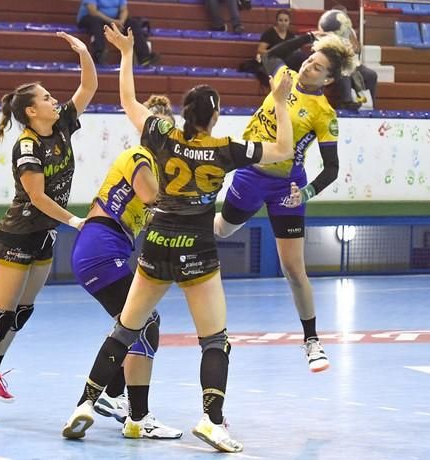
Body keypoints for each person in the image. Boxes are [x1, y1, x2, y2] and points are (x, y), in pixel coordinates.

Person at [61, 23, 295, 453]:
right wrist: (279, 103)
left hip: (155, 246)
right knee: (215, 339)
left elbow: (128, 100)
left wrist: (128, 54)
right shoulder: (226, 148)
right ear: (215, 115)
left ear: (185, 112)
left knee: (124, 331)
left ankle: (86, 405)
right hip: (197, 251)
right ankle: (212, 420)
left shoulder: (160, 136)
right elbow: (282, 150)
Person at [0, 31, 97, 427]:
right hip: (18, 235)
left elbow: (88, 86)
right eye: (47, 98)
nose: (55, 100)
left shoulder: (64, 125)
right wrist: (73, 220)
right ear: (32, 112)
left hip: (43, 236)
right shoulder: (28, 145)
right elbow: (35, 197)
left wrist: (84, 51)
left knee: (22, 313)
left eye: (54, 97)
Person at [214, 32, 356, 373]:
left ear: (329, 79)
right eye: (309, 59)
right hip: (250, 173)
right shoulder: (284, 78)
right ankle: (177, 215)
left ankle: (312, 341)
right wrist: (308, 37)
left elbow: (332, 168)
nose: (308, 66)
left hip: (287, 188)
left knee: (293, 269)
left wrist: (306, 193)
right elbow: (271, 55)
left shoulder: (324, 114)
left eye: (317, 67)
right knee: (221, 229)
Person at [69, 94, 181, 439]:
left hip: (105, 247)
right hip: (101, 245)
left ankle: (109, 398)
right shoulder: (139, 157)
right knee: (144, 322)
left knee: (132, 324)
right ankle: (134, 414)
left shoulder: (154, 166)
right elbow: (153, 199)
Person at [77, 0, 159, 65]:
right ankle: (99, 54)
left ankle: (145, 58)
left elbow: (124, 10)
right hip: (91, 18)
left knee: (132, 23)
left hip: (113, 20)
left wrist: (121, 22)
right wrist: (112, 22)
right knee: (95, 22)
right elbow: (93, 11)